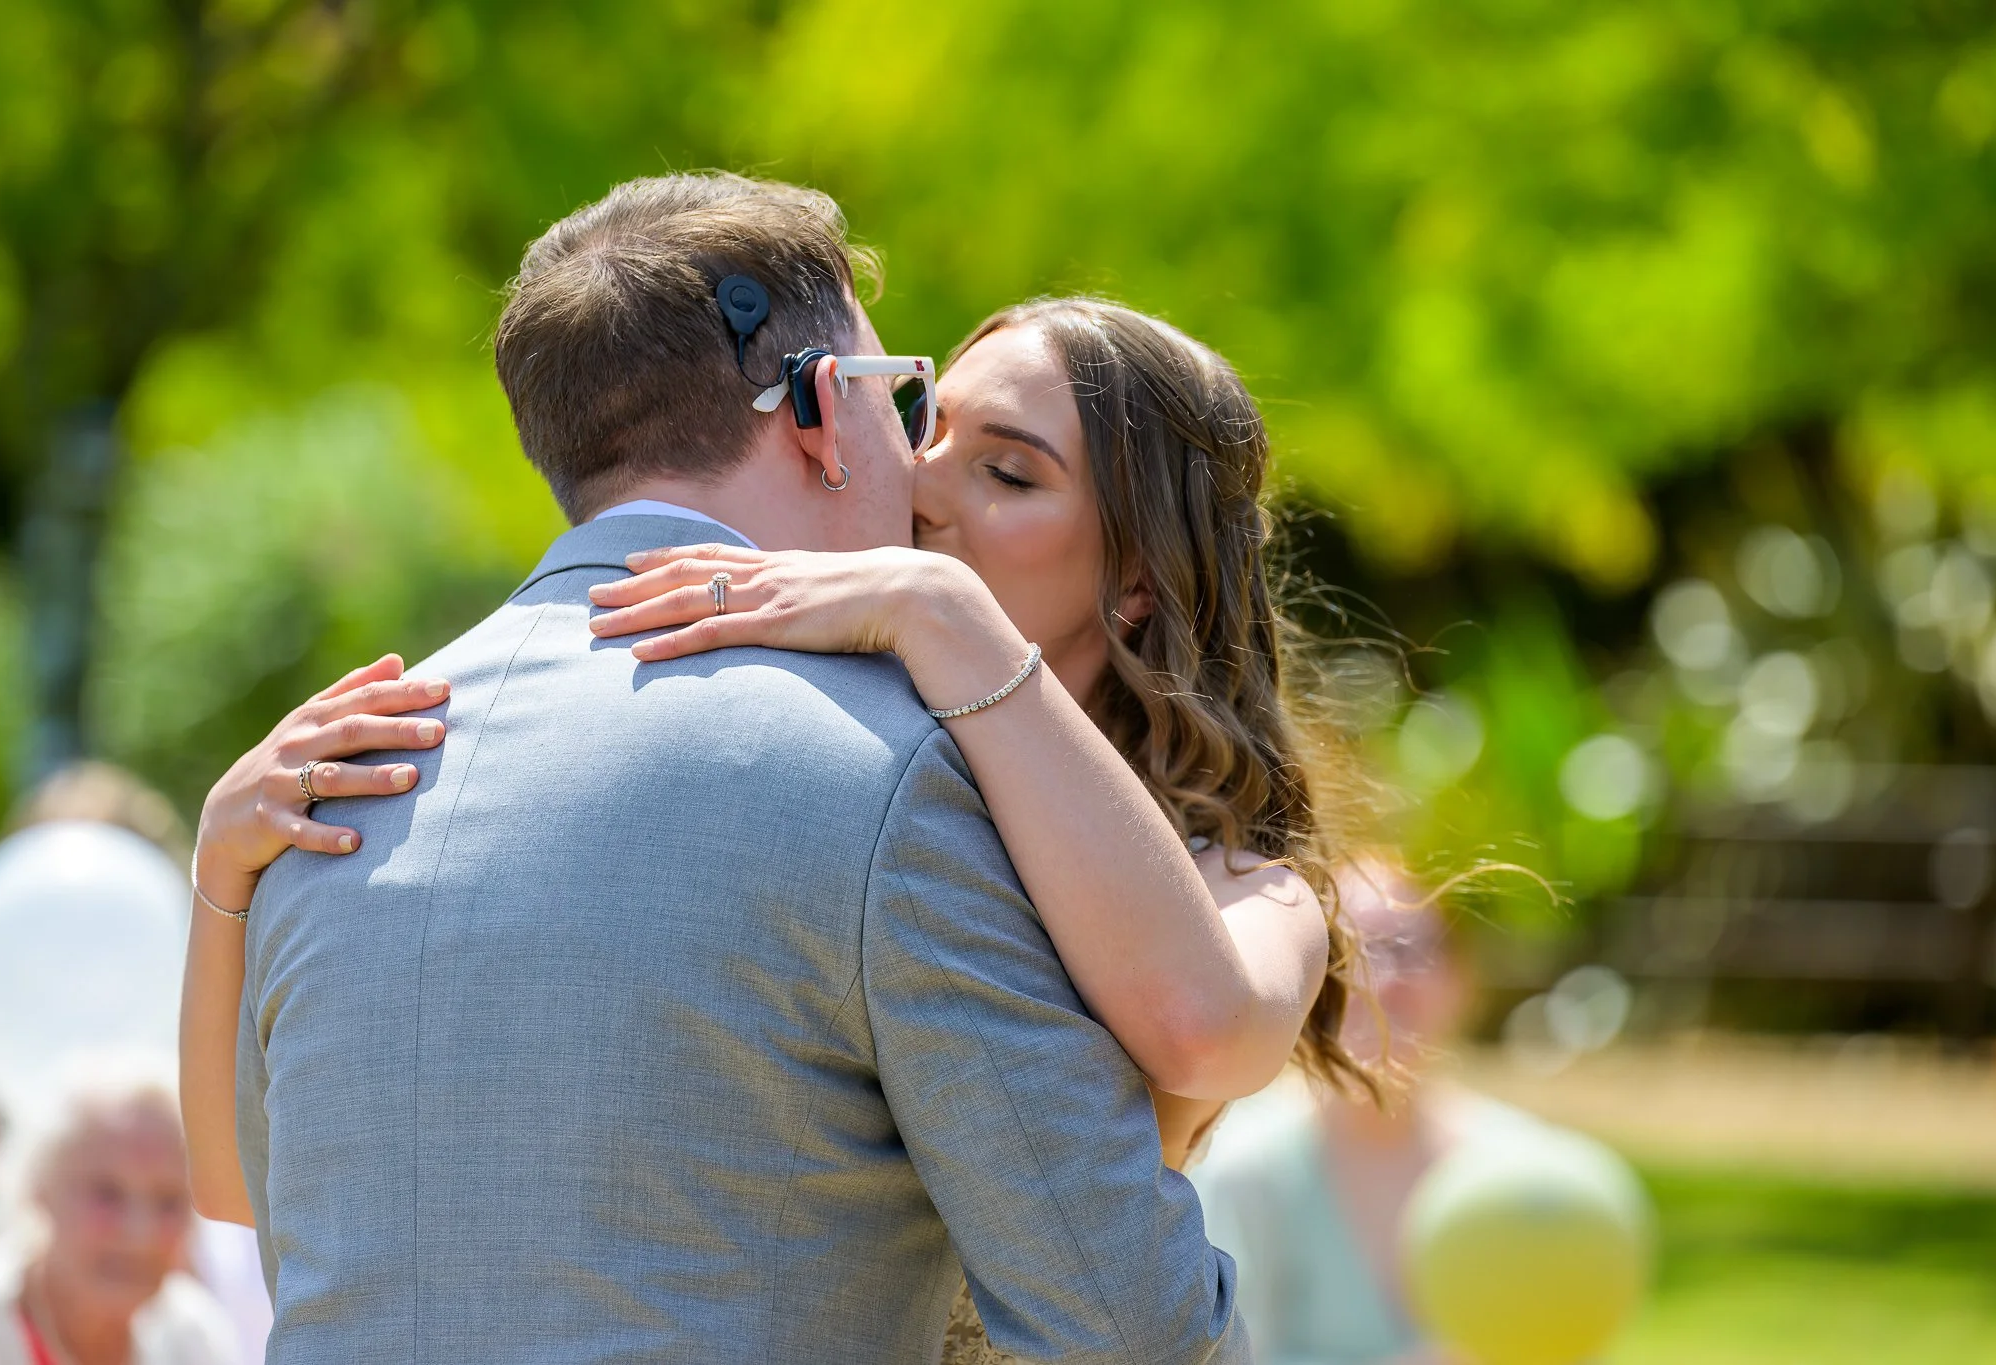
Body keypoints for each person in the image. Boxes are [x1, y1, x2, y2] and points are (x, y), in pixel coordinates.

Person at [179, 173, 1261, 1362]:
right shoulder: (892, 773)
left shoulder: (325, 775)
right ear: (815, 411)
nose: (918, 472)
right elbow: (1127, 1326)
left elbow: (262, 1214)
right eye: (902, 404)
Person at [1189, 858, 1553, 1365]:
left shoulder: (1524, 1167)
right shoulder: (1246, 1170)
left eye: (1408, 950)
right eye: (1353, 953)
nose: (1384, 983)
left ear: (1460, 981)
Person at [0, 1063, 236, 1365]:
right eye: (106, 1193)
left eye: (169, 1201)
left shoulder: (194, 1337)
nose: (140, 1233)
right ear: (40, 1189)